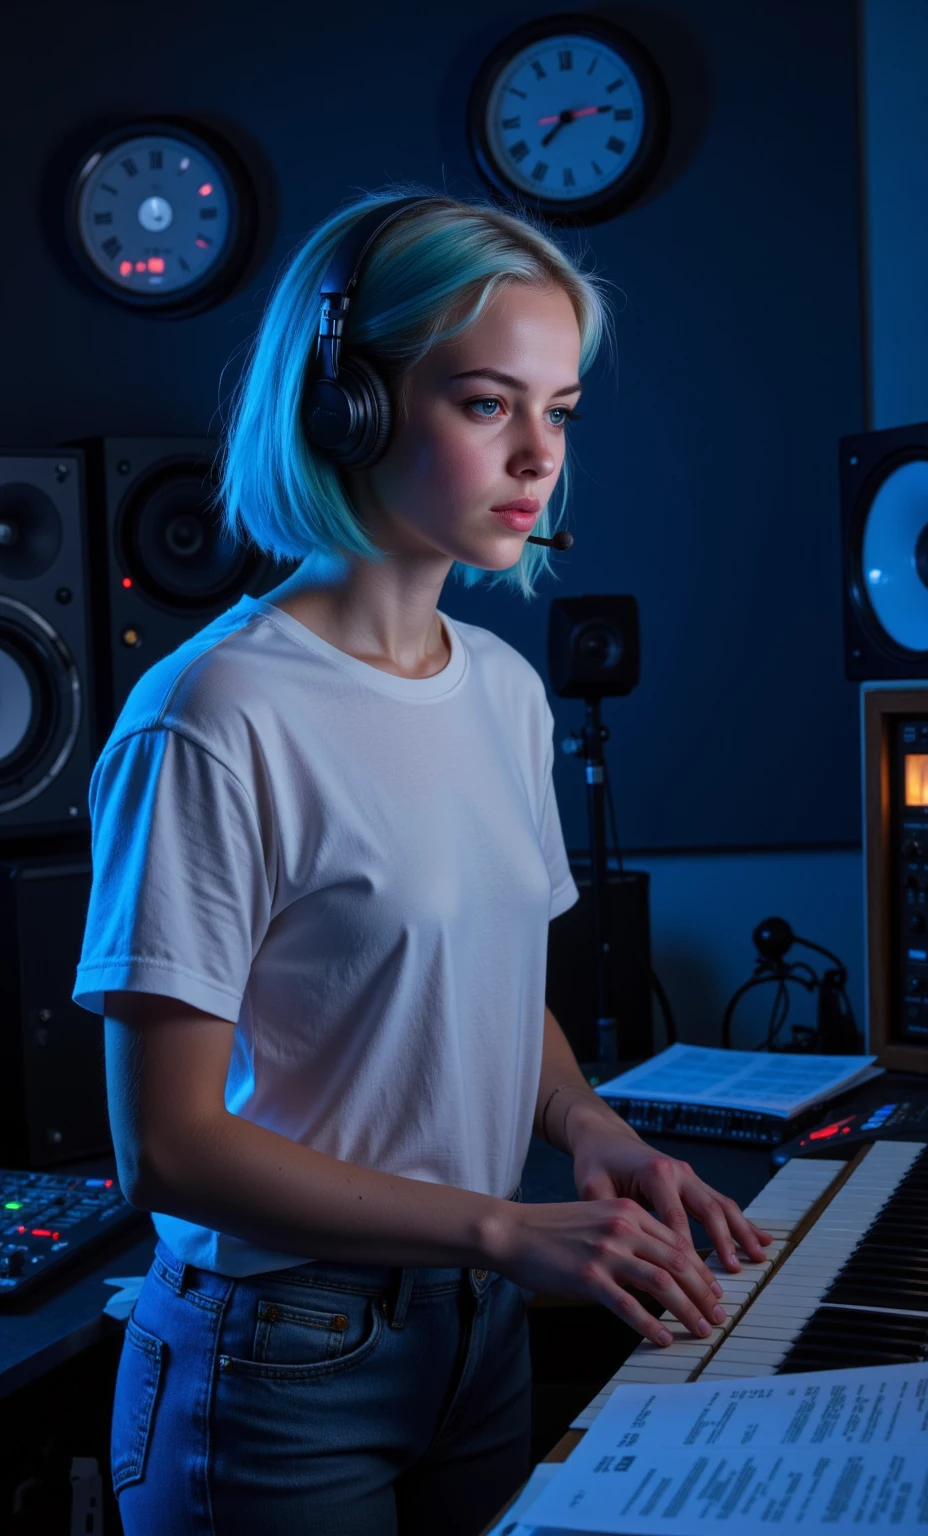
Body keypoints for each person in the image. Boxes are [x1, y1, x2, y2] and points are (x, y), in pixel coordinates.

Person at [73, 186, 772, 1535]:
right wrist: (502, 1227)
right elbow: (166, 1149)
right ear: (352, 407)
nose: (539, 456)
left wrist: (588, 1126)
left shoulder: (505, 689)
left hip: (475, 1324)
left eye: (559, 410)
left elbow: (495, 1001)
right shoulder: (213, 718)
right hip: (279, 1363)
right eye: (484, 403)